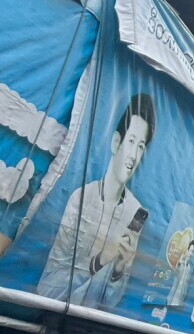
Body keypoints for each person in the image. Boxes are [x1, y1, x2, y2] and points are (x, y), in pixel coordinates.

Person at [38, 93, 156, 309]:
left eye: (141, 146)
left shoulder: (134, 211)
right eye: (131, 141)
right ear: (116, 142)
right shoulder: (81, 198)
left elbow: (111, 303)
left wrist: (119, 270)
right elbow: (47, 288)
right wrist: (98, 261)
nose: (133, 155)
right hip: (54, 318)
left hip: (91, 324)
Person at [168, 239, 194, 306]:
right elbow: (178, 265)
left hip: (181, 287)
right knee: (175, 288)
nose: (190, 253)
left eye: (192, 251)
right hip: (177, 282)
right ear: (187, 250)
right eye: (190, 250)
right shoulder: (182, 260)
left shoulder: (188, 266)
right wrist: (182, 263)